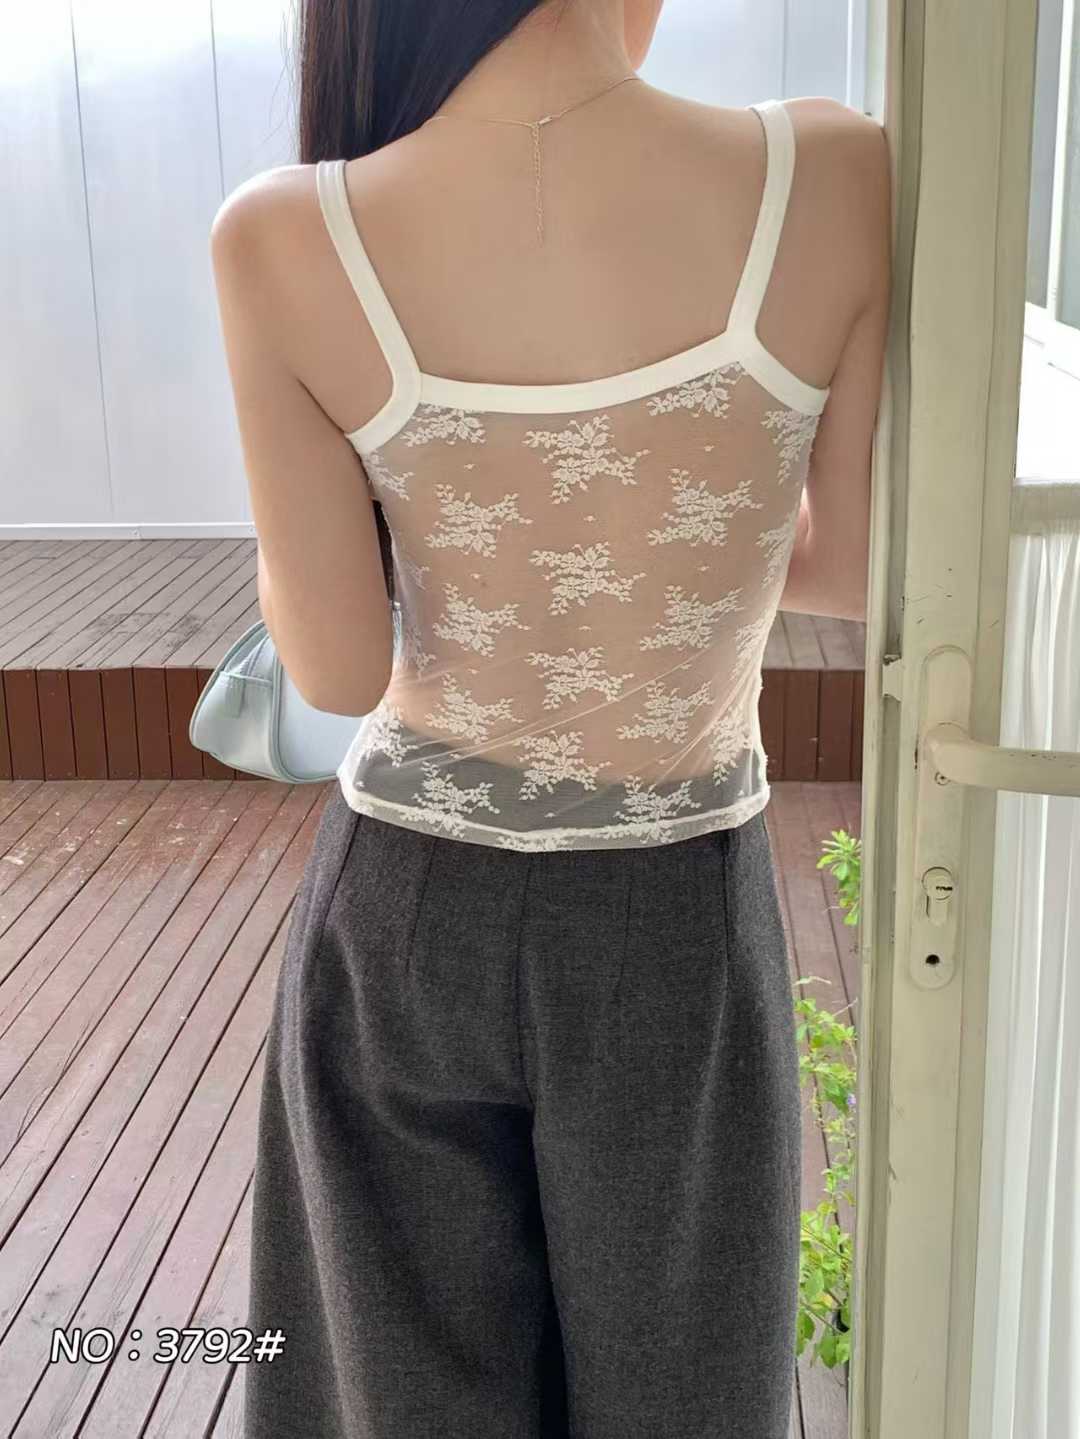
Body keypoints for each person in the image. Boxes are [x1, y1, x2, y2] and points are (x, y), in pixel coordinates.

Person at [210, 0, 891, 1433]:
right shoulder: (833, 175)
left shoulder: (284, 234)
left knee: (399, 1397)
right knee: (688, 1395)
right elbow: (847, 566)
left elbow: (333, 669)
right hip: (679, 909)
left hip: (405, 914)